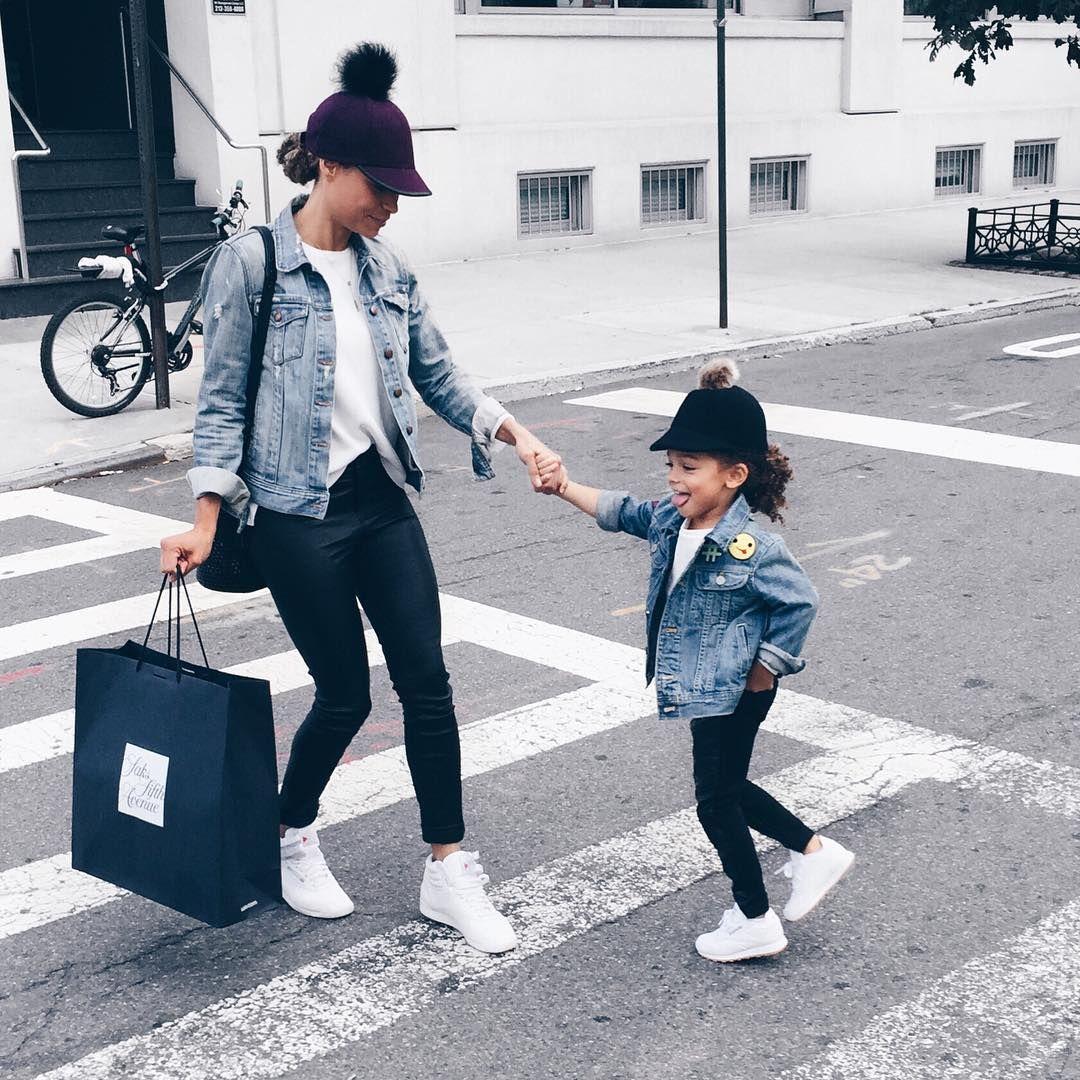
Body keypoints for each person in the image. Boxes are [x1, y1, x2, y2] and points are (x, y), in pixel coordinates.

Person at [160, 43, 562, 954]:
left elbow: (438, 374)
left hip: (378, 500)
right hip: (295, 515)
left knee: (428, 682)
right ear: (330, 166)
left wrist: (516, 433)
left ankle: (447, 869)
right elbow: (219, 402)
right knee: (343, 693)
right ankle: (289, 830)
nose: (391, 204)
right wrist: (206, 516)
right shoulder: (252, 265)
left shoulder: (388, 270)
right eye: (381, 186)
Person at [540, 360, 854, 962]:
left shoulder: (751, 546)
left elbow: (801, 601)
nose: (674, 478)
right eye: (671, 465)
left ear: (734, 475)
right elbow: (620, 510)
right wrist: (564, 487)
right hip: (705, 685)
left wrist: (765, 668)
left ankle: (757, 914)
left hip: (737, 688)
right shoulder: (670, 518)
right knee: (725, 789)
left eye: (689, 467)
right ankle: (811, 854)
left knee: (715, 800)